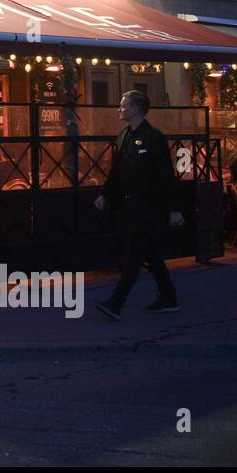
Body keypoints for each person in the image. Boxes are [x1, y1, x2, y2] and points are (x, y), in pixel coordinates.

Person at [94, 91, 184, 320]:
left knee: (134, 255)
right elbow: (117, 170)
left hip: (149, 207)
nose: (119, 109)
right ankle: (169, 296)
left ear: (136, 109)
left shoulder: (154, 137)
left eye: (123, 106)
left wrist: (174, 209)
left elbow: (166, 175)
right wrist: (105, 194)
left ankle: (116, 302)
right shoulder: (123, 135)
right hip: (131, 206)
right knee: (150, 253)